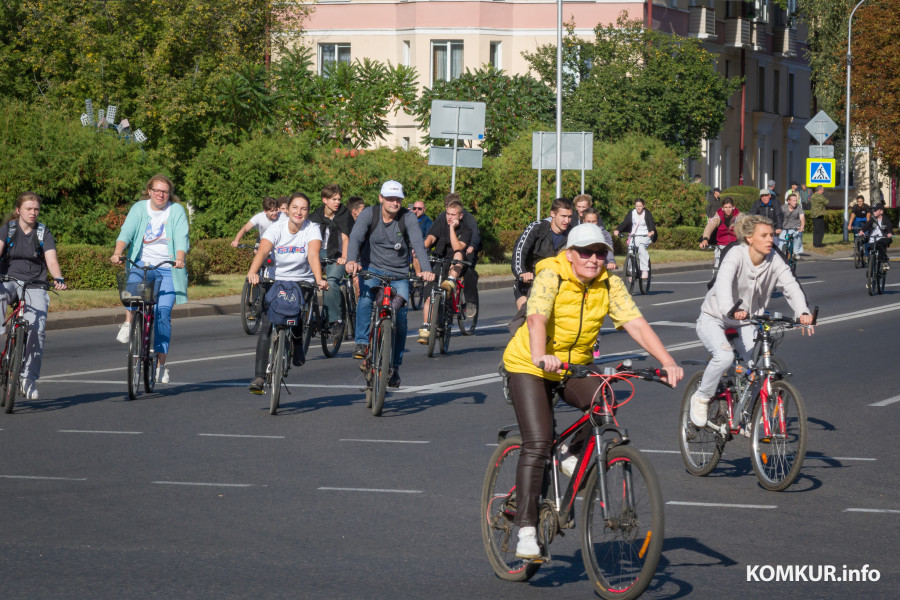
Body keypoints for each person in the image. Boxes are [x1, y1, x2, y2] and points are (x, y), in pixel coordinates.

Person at [502, 223, 683, 558]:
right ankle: (526, 529)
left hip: (574, 365)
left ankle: (570, 454)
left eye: (600, 253)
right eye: (585, 252)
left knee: (606, 397)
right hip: (530, 364)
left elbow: (635, 323)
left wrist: (667, 361)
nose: (593, 259)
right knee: (538, 442)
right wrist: (541, 355)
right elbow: (537, 318)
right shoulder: (551, 275)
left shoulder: (609, 283)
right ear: (570, 254)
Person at [689, 215, 814, 428]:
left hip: (747, 321)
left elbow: (790, 285)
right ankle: (701, 397)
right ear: (749, 238)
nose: (770, 239)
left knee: (758, 369)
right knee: (724, 356)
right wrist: (731, 309)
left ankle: (748, 415)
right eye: (763, 235)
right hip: (715, 317)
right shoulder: (736, 254)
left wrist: (803, 312)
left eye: (771, 235)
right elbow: (723, 283)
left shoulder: (774, 258)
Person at [345, 180, 435, 388]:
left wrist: (426, 269)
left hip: (399, 274)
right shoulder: (369, 214)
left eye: (398, 199)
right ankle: (361, 342)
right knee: (365, 298)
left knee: (401, 317)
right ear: (381, 198)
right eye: (390, 198)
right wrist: (351, 260)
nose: (394, 202)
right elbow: (356, 237)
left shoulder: (408, 217)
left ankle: (394, 366)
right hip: (372, 269)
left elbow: (417, 243)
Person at [111, 175, 189, 384]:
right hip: (142, 264)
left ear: (169, 194)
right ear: (149, 191)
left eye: (164, 191)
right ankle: (128, 323)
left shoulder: (176, 211)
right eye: (157, 190)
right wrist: (118, 252)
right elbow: (126, 232)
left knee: (162, 314)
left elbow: (181, 237)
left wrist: (180, 258)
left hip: (168, 268)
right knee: (132, 295)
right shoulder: (139, 208)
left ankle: (161, 366)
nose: (160, 195)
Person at [246, 193, 327, 393]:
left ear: (308, 212)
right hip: (276, 279)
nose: (299, 212)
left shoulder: (312, 228)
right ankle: (259, 377)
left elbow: (313, 255)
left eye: (304, 209)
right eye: (295, 208)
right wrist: (253, 272)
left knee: (295, 314)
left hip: (301, 280)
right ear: (288, 209)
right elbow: (263, 251)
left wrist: (318, 279)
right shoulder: (277, 227)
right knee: (267, 324)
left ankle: (297, 346)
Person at [0, 192, 67, 400]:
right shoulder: (8, 229)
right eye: (28, 209)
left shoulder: (43, 232)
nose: (33, 212)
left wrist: (58, 277)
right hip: (8, 279)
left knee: (37, 329)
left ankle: (28, 378)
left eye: (36, 209)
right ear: (19, 210)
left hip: (35, 284)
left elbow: (51, 260)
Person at [417, 198, 472, 344]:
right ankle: (426, 326)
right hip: (439, 260)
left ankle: (451, 281)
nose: (449, 217)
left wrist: (452, 228)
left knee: (458, 254)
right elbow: (431, 237)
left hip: (455, 265)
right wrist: (422, 247)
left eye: (453, 215)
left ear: (460, 215)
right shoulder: (441, 222)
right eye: (448, 214)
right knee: (429, 294)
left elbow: (457, 247)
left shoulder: (466, 229)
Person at [511, 198, 573, 310]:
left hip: (554, 283)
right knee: (526, 314)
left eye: (569, 217)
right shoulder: (537, 227)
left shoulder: (572, 233)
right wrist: (521, 273)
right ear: (552, 214)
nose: (567, 221)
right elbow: (520, 250)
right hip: (529, 281)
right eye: (563, 216)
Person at [309, 184, 354, 335]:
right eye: (334, 199)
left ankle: (335, 320)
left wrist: (344, 257)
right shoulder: (316, 215)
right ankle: (307, 315)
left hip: (337, 253)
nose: (337, 202)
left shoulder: (343, 214)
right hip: (319, 251)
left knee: (332, 282)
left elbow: (346, 238)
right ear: (325, 200)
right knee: (306, 280)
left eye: (339, 199)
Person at [613, 198, 657, 279]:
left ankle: (644, 270)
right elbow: (625, 222)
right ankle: (631, 271)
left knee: (641, 248)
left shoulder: (647, 213)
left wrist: (651, 232)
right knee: (630, 250)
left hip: (645, 235)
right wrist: (618, 230)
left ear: (643, 206)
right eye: (637, 206)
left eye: (640, 206)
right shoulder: (632, 213)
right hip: (635, 234)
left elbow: (651, 224)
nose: (638, 208)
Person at [700, 197, 742, 264]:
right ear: (722, 208)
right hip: (721, 245)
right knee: (718, 265)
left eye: (730, 207)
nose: (728, 209)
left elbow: (746, 228)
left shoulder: (739, 216)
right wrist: (705, 239)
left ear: (733, 207)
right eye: (726, 207)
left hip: (735, 246)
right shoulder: (718, 216)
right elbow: (710, 226)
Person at [860, 203, 893, 270]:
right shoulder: (873, 219)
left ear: (881, 211)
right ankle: (870, 273)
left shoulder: (886, 219)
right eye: (873, 210)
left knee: (880, 244)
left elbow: (889, 226)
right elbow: (867, 225)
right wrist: (862, 230)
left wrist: (890, 233)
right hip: (873, 239)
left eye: (875, 210)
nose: (874, 212)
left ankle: (884, 262)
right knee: (868, 246)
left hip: (883, 238)